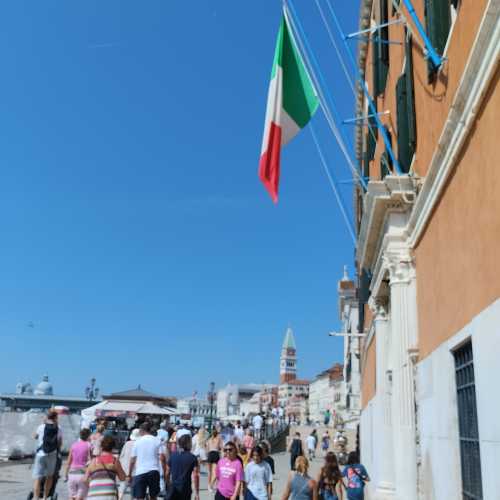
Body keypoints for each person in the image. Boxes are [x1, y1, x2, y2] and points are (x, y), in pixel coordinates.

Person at [128, 422, 167, 500]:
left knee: (139, 497)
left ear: (142, 430)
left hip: (140, 471)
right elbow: (162, 458)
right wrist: (164, 471)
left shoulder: (137, 442)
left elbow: (132, 460)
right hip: (154, 471)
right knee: (153, 496)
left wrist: (129, 474)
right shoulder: (157, 441)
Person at [32, 408, 63, 500]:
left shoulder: (41, 426)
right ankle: (45, 497)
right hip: (52, 454)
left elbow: (34, 436)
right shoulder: (58, 428)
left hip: (41, 454)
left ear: (47, 416)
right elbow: (60, 443)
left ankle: (36, 497)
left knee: (38, 477)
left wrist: (42, 424)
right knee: (49, 476)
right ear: (56, 417)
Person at [165, 434, 200, 500]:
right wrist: (197, 493)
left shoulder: (173, 455)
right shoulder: (192, 457)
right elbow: (196, 476)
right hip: (185, 488)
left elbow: (167, 472)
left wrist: (168, 484)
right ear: (188, 443)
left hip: (174, 488)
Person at [65, 428, 91, 500]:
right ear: (88, 436)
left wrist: (66, 474)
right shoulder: (89, 445)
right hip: (82, 474)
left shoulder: (73, 445)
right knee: (80, 497)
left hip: (72, 474)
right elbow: (91, 461)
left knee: (71, 497)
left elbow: (68, 461)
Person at [118, 428, 141, 500]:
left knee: (121, 489)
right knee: (133, 491)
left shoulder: (127, 443)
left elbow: (121, 456)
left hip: (125, 469)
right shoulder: (139, 444)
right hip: (135, 470)